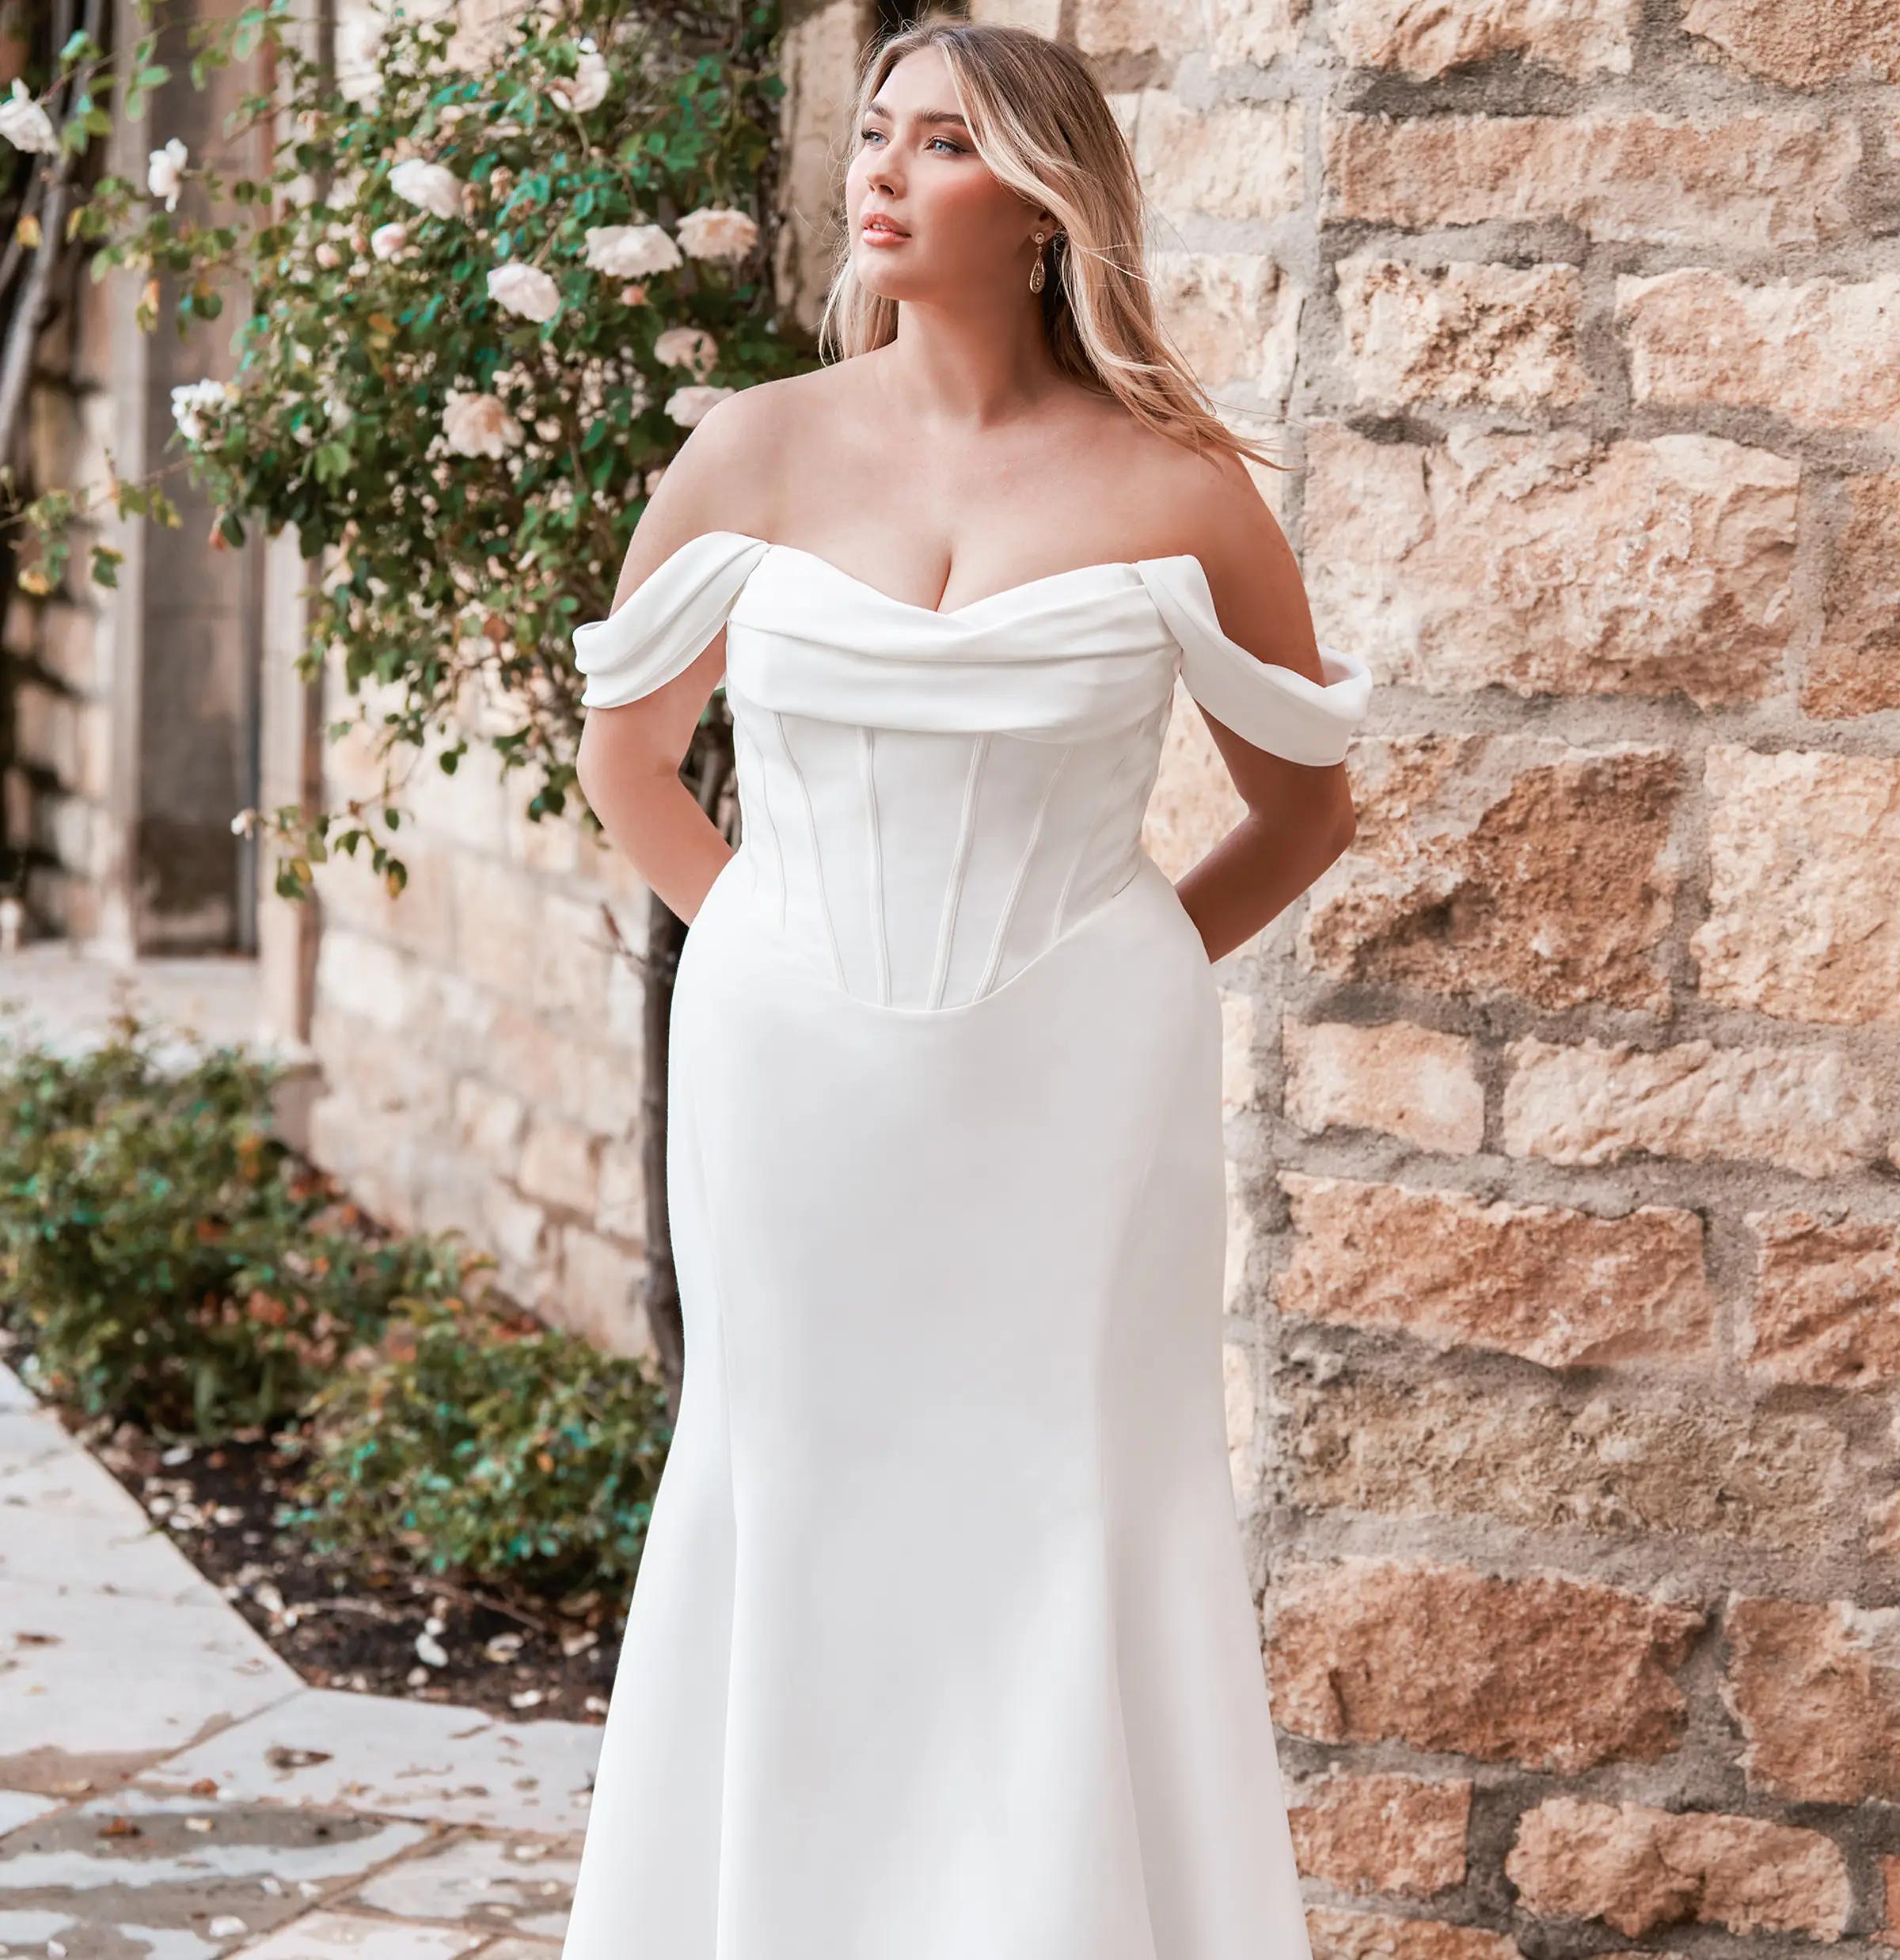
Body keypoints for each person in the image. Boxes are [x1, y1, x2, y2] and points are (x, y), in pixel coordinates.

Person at [558, 14, 1370, 1958]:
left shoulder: (1178, 489)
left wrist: (1130, 959)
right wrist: (759, 941)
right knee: (795, 1470)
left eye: (943, 143)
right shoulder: (753, 444)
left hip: (1081, 1101)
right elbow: (627, 755)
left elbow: (1304, 809)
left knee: (1071, 1496)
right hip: (791, 1081)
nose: (883, 171)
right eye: (880, 134)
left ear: (1045, 206)